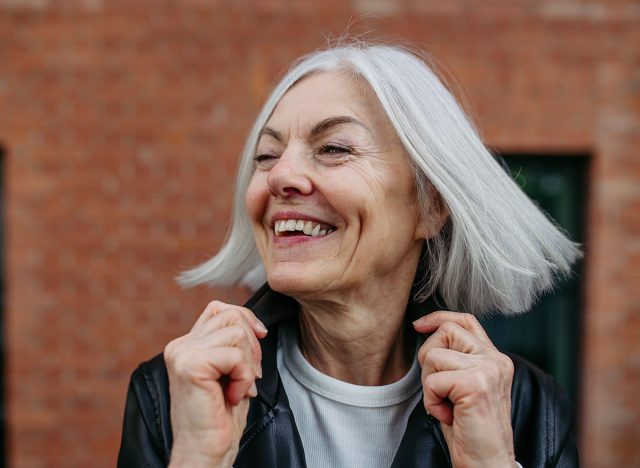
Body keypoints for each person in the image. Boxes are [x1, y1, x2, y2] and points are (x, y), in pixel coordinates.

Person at [118, 42, 581, 467]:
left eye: (334, 148)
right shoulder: (171, 393)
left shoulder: (526, 410)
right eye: (266, 156)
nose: (281, 176)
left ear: (430, 205)